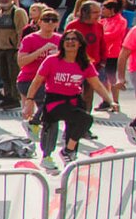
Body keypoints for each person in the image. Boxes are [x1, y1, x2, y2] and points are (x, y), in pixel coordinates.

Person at [22, 30, 112, 168]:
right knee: (51, 129)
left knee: (80, 123)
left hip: (74, 100)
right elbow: (37, 81)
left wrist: (110, 101)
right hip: (54, 101)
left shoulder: (85, 64)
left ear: (80, 44)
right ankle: (48, 156)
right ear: (62, 43)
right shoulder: (51, 60)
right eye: (67, 39)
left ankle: (69, 153)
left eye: (74, 39)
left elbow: (97, 85)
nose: (70, 42)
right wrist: (29, 101)